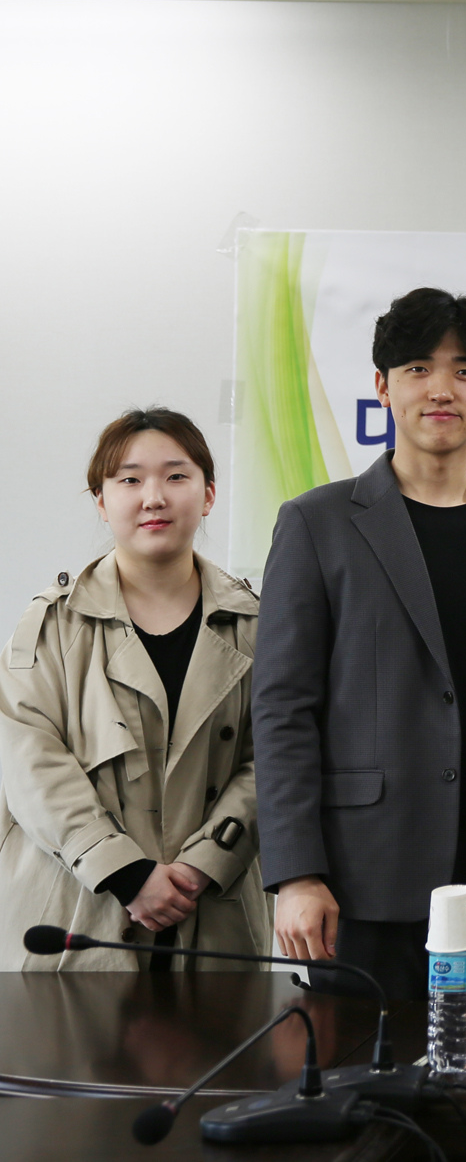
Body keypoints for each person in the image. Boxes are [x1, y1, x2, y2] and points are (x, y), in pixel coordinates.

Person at [252, 288, 466, 1001]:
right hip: (359, 877)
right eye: (417, 369)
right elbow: (283, 710)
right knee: (356, 1067)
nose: (441, 389)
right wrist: (296, 873)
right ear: (383, 386)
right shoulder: (317, 522)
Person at [0, 410, 269, 971]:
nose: (154, 497)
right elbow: (27, 757)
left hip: (215, 910)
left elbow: (275, 756)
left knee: (222, 1029)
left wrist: (204, 862)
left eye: (176, 476)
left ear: (208, 494)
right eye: (129, 479)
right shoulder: (53, 625)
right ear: (101, 501)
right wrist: (123, 871)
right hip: (77, 914)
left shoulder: (257, 625)